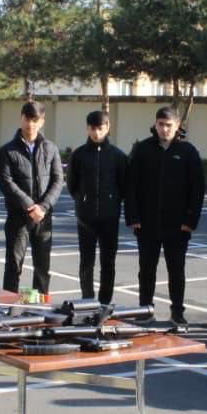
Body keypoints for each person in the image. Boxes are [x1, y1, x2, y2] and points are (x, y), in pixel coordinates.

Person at [125, 106, 205, 329]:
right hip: (147, 223)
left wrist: (190, 221)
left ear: (177, 125)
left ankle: (177, 311)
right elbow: (131, 186)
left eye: (169, 125)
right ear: (155, 124)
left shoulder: (188, 151)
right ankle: (145, 310)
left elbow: (197, 189)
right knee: (146, 269)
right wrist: (133, 217)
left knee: (176, 270)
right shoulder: (143, 149)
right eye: (161, 124)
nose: (164, 129)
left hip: (177, 225)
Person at [0, 101, 64, 294]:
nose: (30, 124)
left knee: (42, 269)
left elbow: (58, 180)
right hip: (18, 218)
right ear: (21, 118)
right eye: (27, 119)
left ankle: (39, 311)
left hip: (43, 219)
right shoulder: (8, 150)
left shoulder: (50, 149)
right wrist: (29, 206)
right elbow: (6, 182)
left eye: (35, 120)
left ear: (42, 121)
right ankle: (7, 310)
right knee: (13, 267)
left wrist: (42, 207)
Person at [67, 109, 128, 303]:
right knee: (87, 261)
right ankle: (87, 299)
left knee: (108, 262)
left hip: (110, 218)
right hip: (85, 218)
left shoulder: (118, 156)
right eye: (92, 129)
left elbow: (123, 185)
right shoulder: (79, 155)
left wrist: (113, 202)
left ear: (108, 127)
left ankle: (105, 301)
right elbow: (72, 184)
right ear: (87, 128)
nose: (96, 133)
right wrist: (82, 200)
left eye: (100, 128)